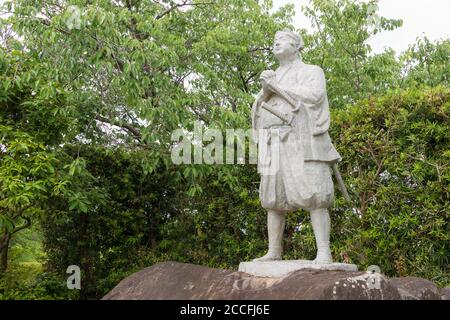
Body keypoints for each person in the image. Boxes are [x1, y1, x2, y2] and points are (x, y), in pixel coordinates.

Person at [251, 29, 341, 264]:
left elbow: (315, 95)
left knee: (314, 193)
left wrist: (278, 89)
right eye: (273, 41)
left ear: (296, 45)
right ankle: (273, 251)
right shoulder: (273, 77)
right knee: (273, 198)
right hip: (273, 140)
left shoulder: (311, 71)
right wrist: (264, 93)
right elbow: (259, 109)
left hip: (299, 140)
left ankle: (324, 251)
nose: (275, 44)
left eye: (281, 40)